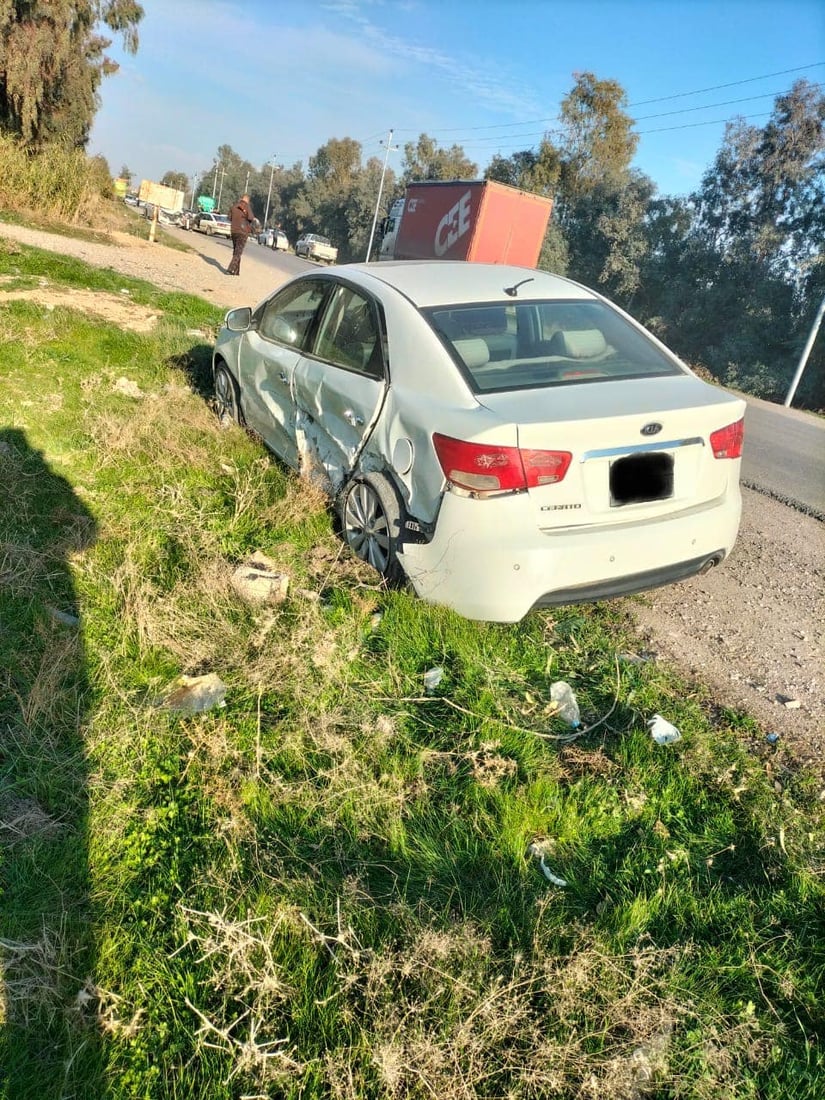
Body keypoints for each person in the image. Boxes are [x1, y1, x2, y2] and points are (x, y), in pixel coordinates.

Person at [226, 193, 258, 275]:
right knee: (238, 252)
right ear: (247, 200)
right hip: (243, 232)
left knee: (236, 250)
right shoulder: (247, 207)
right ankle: (230, 269)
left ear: (241, 198)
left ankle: (236, 271)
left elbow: (229, 217)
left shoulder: (234, 206)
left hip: (234, 231)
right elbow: (251, 218)